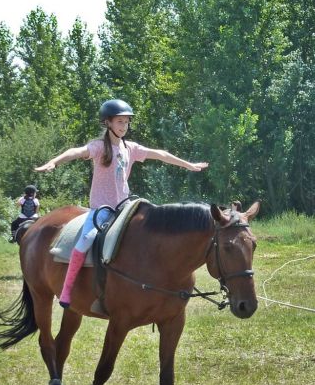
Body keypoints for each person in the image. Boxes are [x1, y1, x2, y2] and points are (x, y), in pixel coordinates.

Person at [34, 99, 209, 309]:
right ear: (107, 123)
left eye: (126, 122)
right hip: (101, 210)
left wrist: (188, 165)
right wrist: (54, 161)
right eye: (119, 122)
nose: (124, 126)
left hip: (125, 208)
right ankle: (67, 289)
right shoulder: (99, 148)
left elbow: (160, 154)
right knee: (84, 242)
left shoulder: (131, 148)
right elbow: (76, 151)